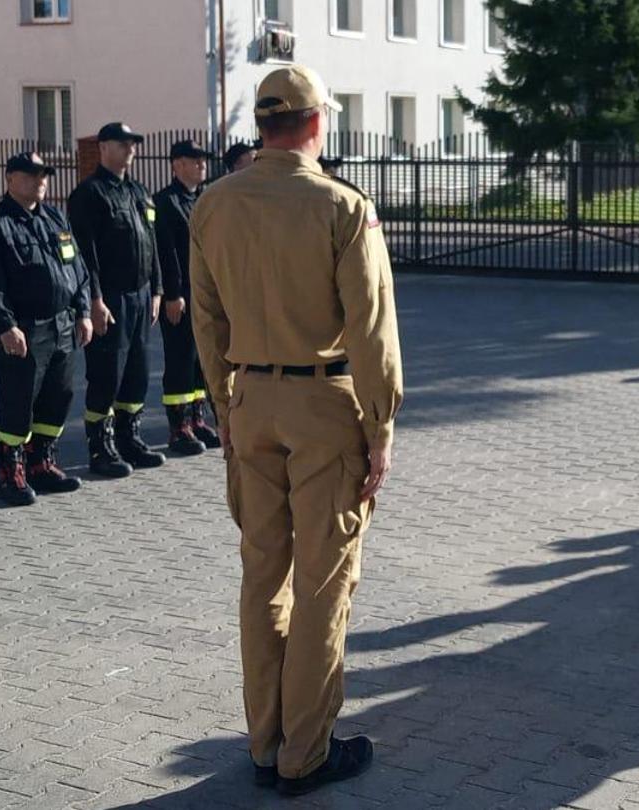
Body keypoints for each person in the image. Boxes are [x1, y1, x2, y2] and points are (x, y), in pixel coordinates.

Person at [190, 64, 402, 796]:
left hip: (250, 401)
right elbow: (371, 332)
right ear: (316, 125)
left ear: (262, 126)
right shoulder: (342, 206)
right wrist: (380, 429)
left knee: (262, 577)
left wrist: (224, 403)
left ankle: (263, 739)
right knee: (323, 585)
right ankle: (303, 754)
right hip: (322, 406)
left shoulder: (213, 204)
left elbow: (207, 318)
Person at [0, 152, 95, 506]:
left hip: (64, 324)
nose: (39, 181)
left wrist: (83, 311)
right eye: (30, 175)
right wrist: (5, 325)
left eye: (44, 175)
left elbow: (78, 270)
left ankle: (42, 463)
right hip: (25, 328)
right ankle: (12, 475)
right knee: (18, 400)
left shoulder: (55, 218)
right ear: (9, 178)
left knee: (59, 395)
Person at [70, 122, 167, 475]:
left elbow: (151, 244)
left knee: (137, 371)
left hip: (141, 296)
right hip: (110, 297)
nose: (130, 149)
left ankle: (130, 438)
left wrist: (157, 289)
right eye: (123, 143)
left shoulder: (140, 192)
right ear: (104, 147)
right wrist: (94, 300)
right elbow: (86, 255)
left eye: (133, 144)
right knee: (106, 373)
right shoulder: (90, 194)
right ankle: (101, 448)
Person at [154, 139, 223, 455]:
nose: (201, 165)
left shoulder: (202, 199)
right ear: (176, 165)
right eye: (194, 160)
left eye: (203, 160)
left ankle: (197, 419)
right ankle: (178, 426)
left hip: (204, 291)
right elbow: (166, 252)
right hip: (180, 293)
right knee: (180, 357)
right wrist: (171, 293)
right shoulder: (166, 202)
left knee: (200, 358)